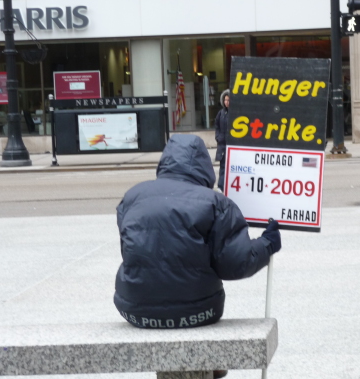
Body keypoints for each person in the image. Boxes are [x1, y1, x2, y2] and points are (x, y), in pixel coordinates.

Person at [114, 134, 282, 330]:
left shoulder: (133, 196)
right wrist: (267, 244)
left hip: (133, 310)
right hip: (199, 311)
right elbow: (236, 263)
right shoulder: (215, 203)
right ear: (204, 165)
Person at [215, 89, 230, 192]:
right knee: (222, 167)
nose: (226, 102)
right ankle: (221, 187)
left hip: (230, 145)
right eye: (225, 100)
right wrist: (218, 137)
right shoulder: (221, 113)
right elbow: (216, 126)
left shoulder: (234, 113)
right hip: (222, 145)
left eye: (228, 100)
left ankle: (227, 186)